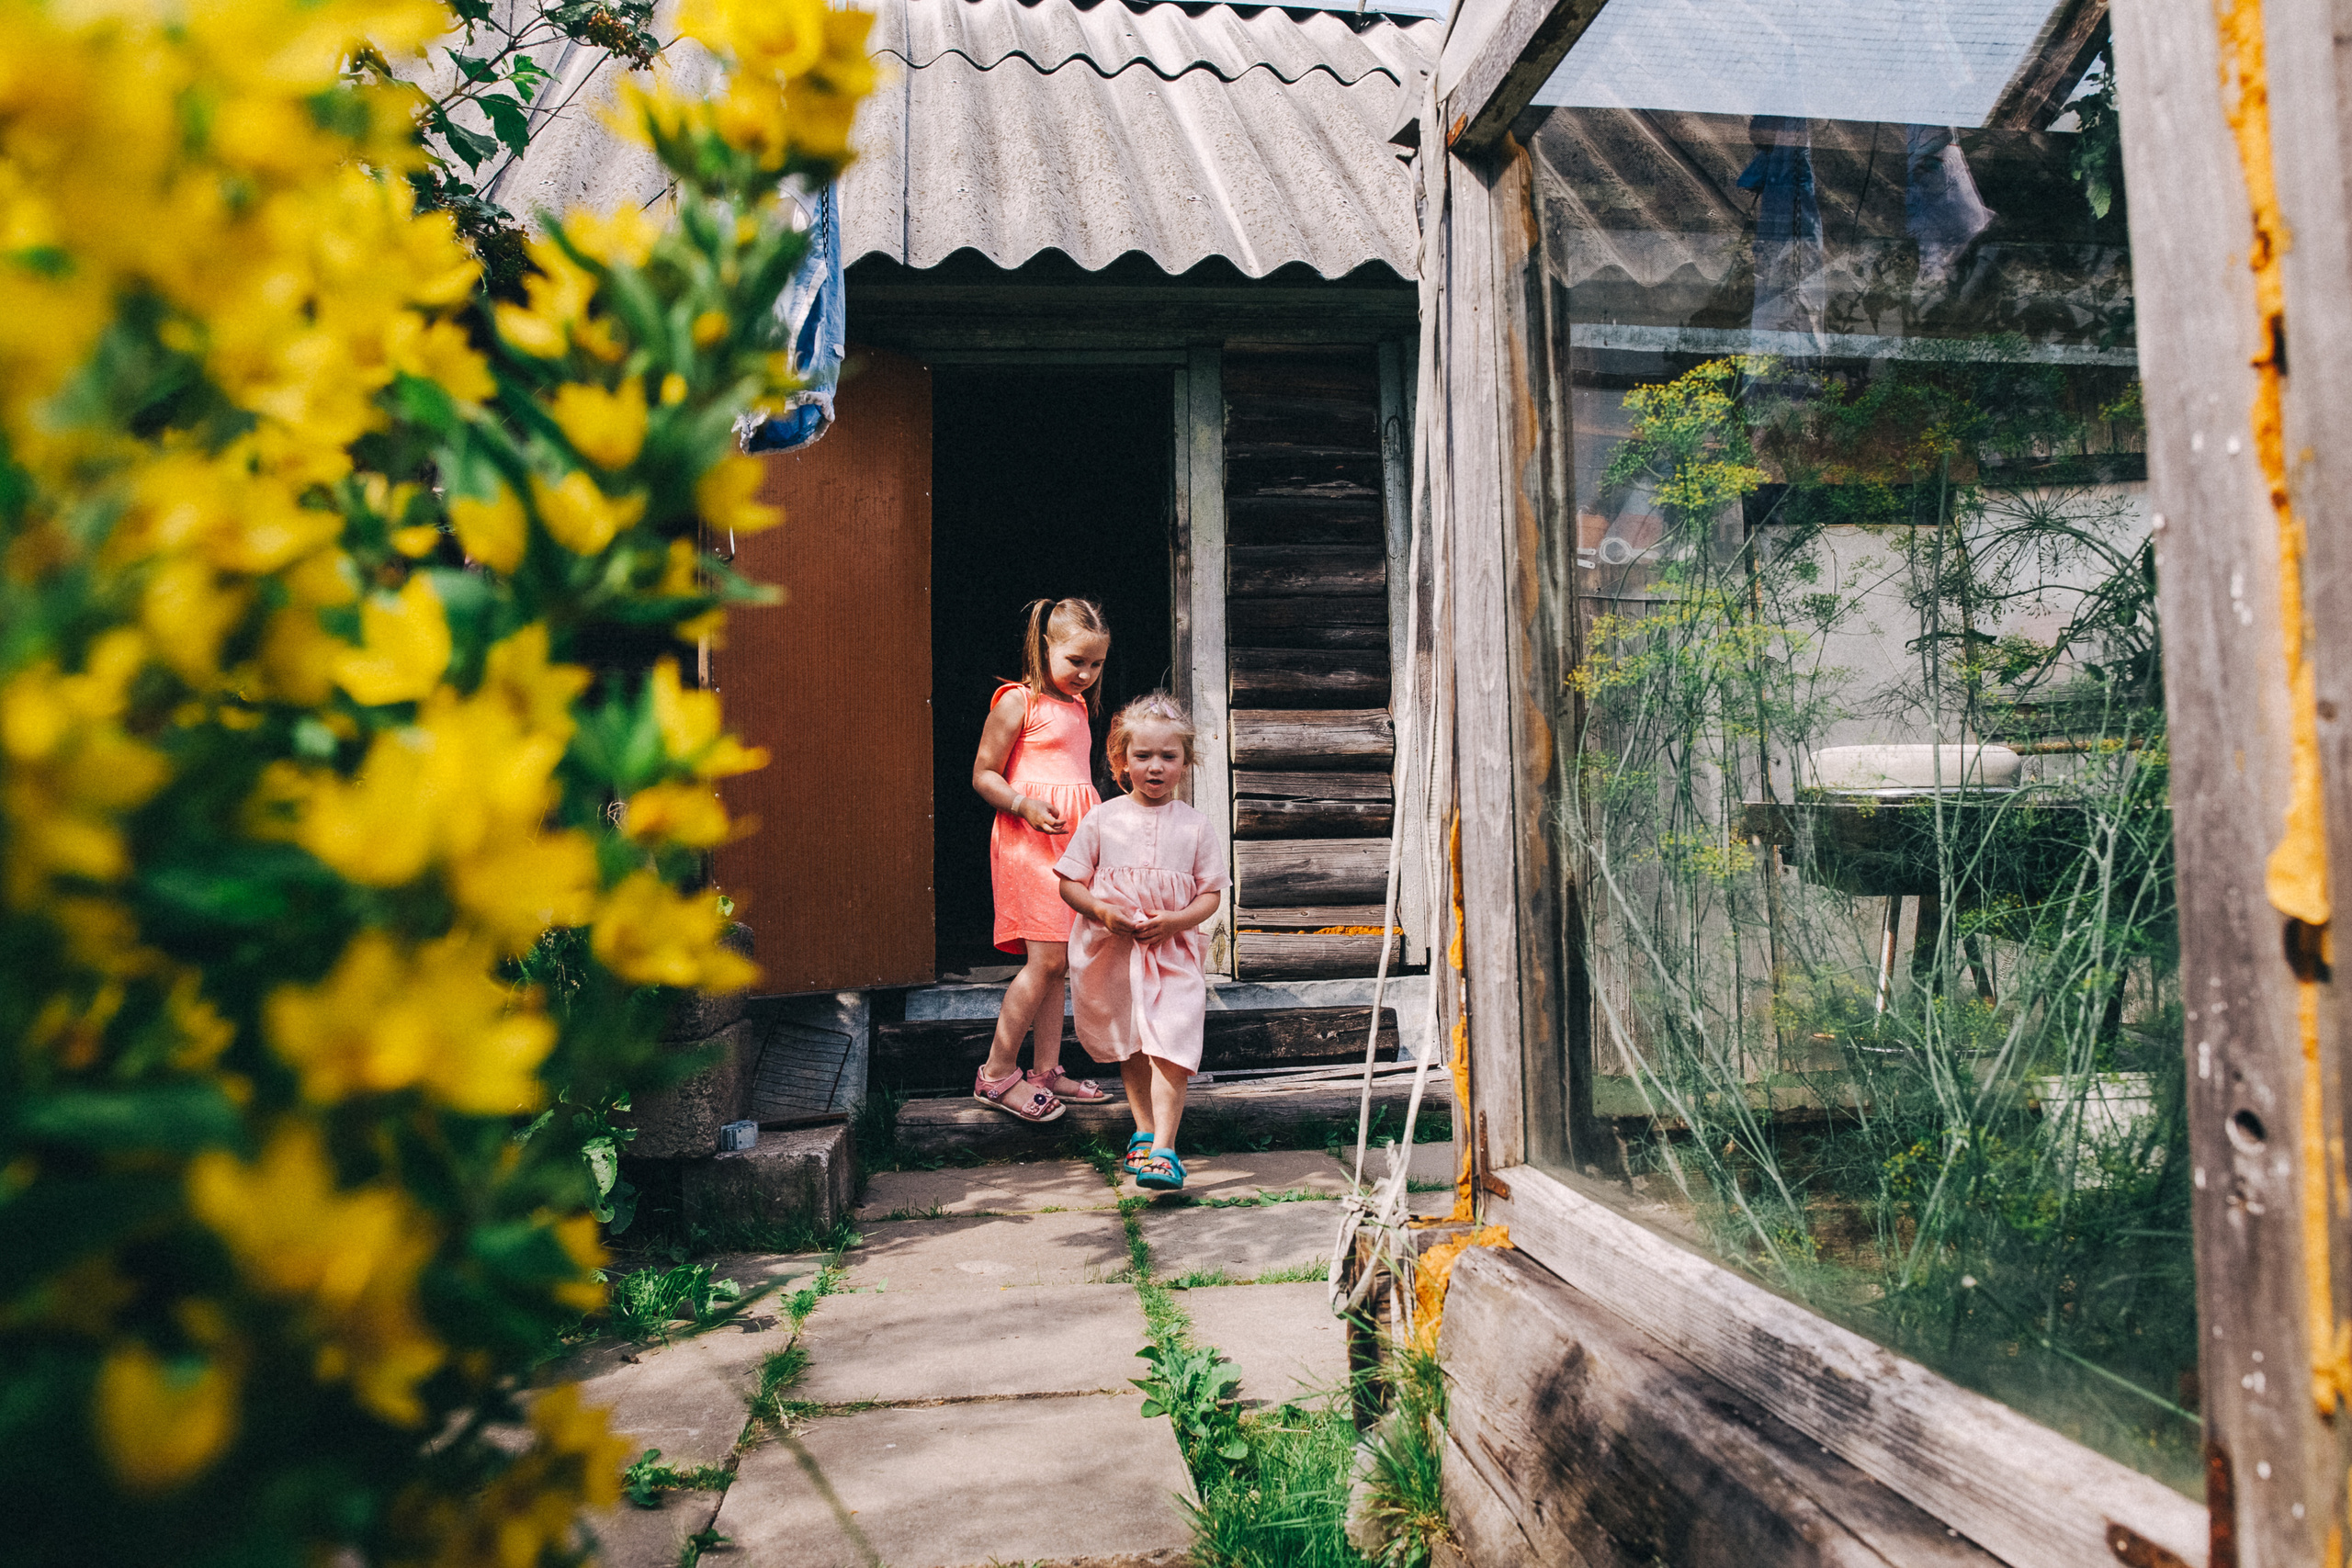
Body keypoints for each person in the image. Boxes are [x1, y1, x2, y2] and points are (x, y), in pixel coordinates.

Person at [1054, 693, 1225, 1191]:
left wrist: (1176, 921)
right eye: (1143, 756)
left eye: (1168, 757)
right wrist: (1103, 910)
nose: (1155, 767)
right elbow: (1070, 882)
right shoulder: (1103, 819)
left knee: (1170, 1043)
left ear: (1186, 763)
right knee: (1131, 1042)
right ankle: (1146, 1133)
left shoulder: (1194, 826)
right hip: (1114, 952)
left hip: (1171, 954)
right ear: (1121, 761)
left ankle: (1166, 1150)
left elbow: (1210, 895)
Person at [969, 597, 1115, 1122]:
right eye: (1076, 661)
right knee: (1046, 961)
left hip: (1070, 846)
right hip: (1029, 844)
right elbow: (983, 772)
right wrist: (1022, 803)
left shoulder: (1078, 708)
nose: (1086, 673)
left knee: (1062, 965)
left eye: (1097, 664)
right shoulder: (1018, 703)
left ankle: (1046, 1070)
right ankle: (994, 1073)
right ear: (1045, 646)